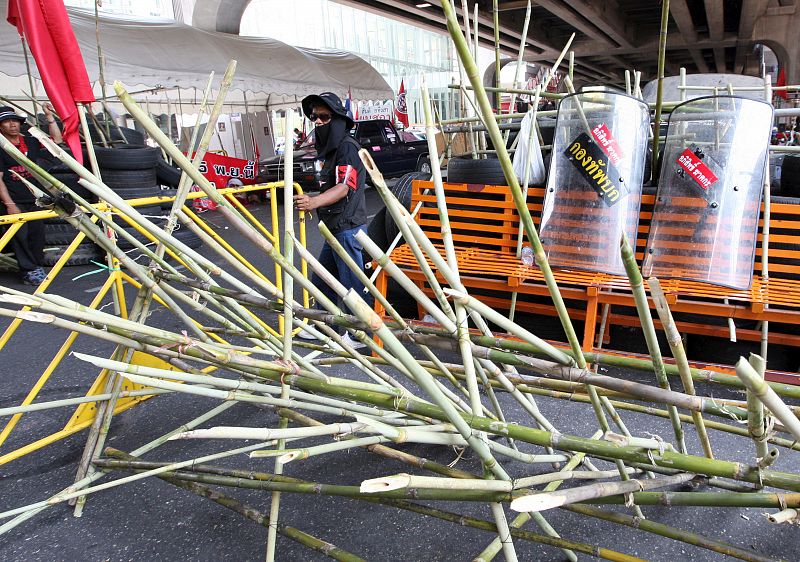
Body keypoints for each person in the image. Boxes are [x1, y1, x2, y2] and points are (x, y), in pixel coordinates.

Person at [294, 92, 368, 346]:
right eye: (314, 117)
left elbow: (344, 187)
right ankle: (325, 326)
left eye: (324, 117)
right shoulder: (332, 149)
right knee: (322, 280)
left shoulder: (347, 147)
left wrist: (313, 202)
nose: (318, 121)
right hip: (334, 227)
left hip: (348, 229)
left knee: (352, 285)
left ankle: (361, 334)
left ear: (338, 120)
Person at [0, 103, 62, 286]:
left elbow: (56, 141)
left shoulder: (30, 142)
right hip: (13, 199)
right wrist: (9, 204)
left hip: (35, 198)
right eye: (6, 122)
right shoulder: (1, 147)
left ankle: (36, 266)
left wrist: (49, 117)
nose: (12, 125)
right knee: (20, 236)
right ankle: (28, 270)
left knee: (37, 234)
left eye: (15, 121)